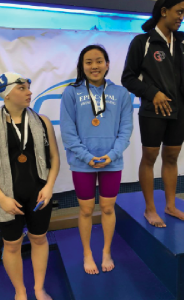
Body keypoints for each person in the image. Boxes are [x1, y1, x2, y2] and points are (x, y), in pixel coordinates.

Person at [60, 45, 133, 275]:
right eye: (89, 62)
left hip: (112, 161)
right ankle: (87, 253)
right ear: (82, 66)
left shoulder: (121, 93)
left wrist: (111, 155)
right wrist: (87, 157)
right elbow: (68, 131)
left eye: (99, 61)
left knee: (108, 209)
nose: (94, 66)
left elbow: (126, 129)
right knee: (85, 210)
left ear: (107, 64)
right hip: (83, 163)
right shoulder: (71, 92)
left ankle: (106, 251)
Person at [122, 0, 184, 227]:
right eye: (179, 12)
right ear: (164, 11)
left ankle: (170, 205)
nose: (181, 17)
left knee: (171, 157)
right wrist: (152, 93)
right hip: (153, 110)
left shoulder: (182, 40)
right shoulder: (143, 42)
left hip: (180, 111)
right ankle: (150, 209)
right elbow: (127, 77)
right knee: (149, 158)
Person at [0, 72, 60, 300]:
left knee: (39, 238)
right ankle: (20, 292)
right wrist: (2, 199)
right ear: (6, 94)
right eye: (22, 88)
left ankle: (39, 288)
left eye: (28, 87)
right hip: (7, 198)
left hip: (39, 194)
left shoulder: (42, 121)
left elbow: (54, 158)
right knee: (12, 245)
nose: (29, 92)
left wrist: (50, 186)